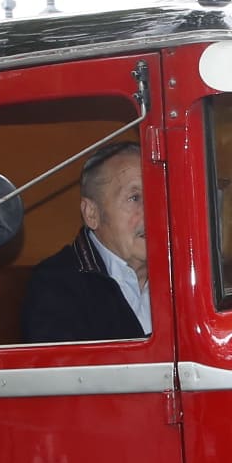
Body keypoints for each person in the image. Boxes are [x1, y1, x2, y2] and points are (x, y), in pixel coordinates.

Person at [20, 143, 152, 344]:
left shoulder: (189, 275)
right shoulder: (56, 286)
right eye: (134, 198)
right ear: (92, 214)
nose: (152, 211)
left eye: (157, 195)